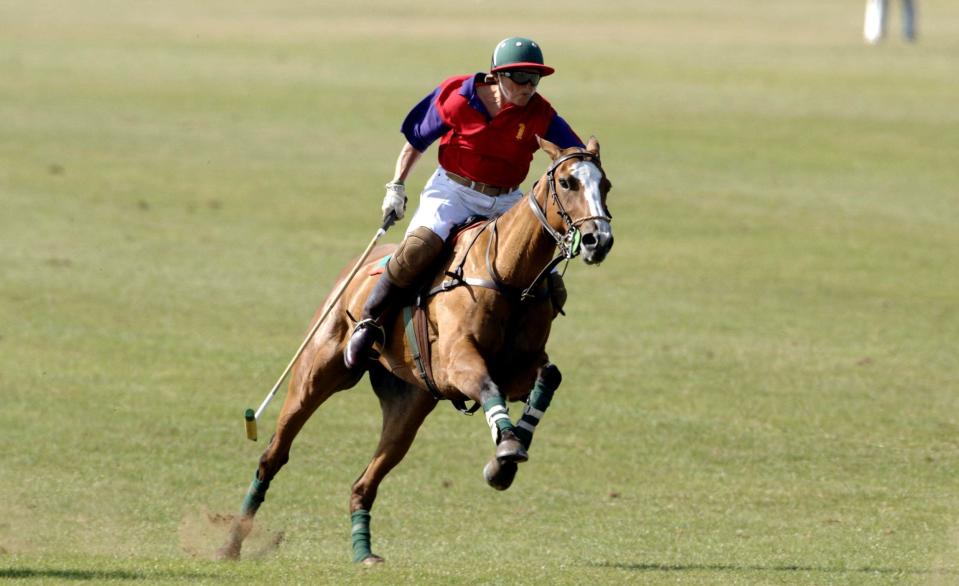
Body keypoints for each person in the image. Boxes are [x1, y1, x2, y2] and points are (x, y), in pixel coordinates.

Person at [344, 36, 585, 368]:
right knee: (418, 248)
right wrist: (396, 185)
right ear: (497, 75)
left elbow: (576, 155)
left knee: (551, 283)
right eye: (521, 77)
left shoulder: (539, 113)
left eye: (535, 78)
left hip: (506, 199)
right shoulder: (458, 97)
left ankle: (520, 349)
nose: (529, 86)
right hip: (453, 192)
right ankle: (369, 323)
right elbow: (417, 140)